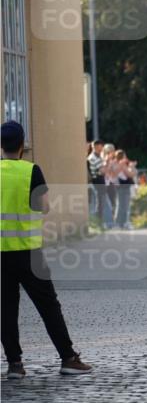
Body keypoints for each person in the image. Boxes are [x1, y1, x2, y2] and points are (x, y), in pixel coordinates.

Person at [1, 121, 92, 378]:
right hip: (29, 253)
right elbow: (43, 207)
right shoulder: (31, 171)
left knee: (6, 309)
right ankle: (68, 358)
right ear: (22, 145)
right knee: (48, 306)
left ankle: (14, 365)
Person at [115, 150, 137, 230]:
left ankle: (121, 224)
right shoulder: (121, 165)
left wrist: (131, 167)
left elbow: (132, 174)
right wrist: (132, 167)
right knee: (124, 206)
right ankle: (123, 223)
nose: (126, 158)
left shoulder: (119, 165)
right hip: (123, 187)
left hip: (122, 187)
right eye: (125, 156)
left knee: (122, 206)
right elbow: (130, 174)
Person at [86, 139, 105, 226]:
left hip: (99, 180)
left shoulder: (97, 156)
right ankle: (98, 223)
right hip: (97, 180)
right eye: (101, 146)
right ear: (97, 146)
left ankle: (98, 222)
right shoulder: (93, 157)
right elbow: (102, 170)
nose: (102, 148)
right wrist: (107, 164)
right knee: (99, 203)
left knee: (100, 202)